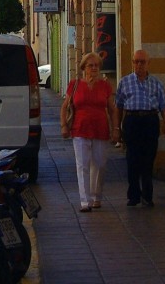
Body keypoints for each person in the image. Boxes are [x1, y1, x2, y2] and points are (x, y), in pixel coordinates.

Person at [112, 48, 165, 207]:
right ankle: (133, 195)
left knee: (148, 159)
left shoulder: (156, 83)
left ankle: (147, 195)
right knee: (132, 159)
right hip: (132, 121)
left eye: (142, 62)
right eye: (136, 62)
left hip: (149, 121)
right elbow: (118, 107)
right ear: (132, 63)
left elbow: (164, 106)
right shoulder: (124, 82)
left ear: (148, 64)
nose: (139, 65)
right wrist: (116, 129)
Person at [60, 52, 116, 212]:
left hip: (101, 129)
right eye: (91, 65)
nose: (94, 68)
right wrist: (64, 125)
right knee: (82, 165)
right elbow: (65, 106)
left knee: (99, 164)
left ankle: (96, 196)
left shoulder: (105, 85)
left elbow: (112, 109)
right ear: (84, 67)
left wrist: (116, 128)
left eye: (97, 66)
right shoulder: (75, 84)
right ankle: (85, 201)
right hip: (80, 129)